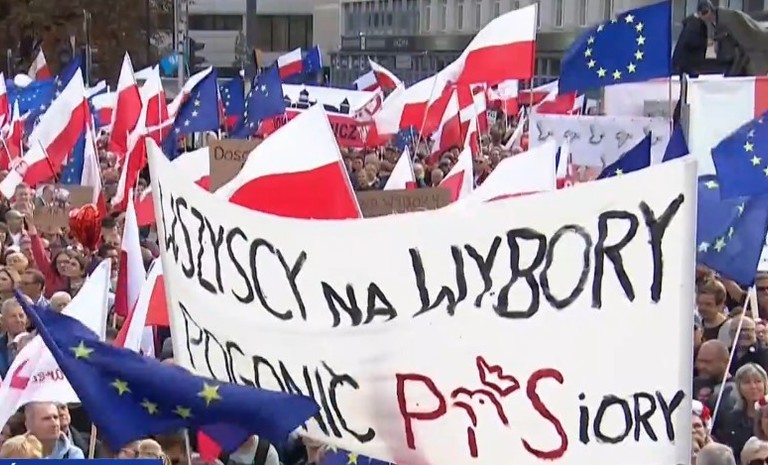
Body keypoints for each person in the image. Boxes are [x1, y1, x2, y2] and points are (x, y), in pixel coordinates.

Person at [712, 363, 768, 459]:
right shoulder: (731, 418)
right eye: (747, 382)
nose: (753, 386)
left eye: (758, 381)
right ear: (739, 387)